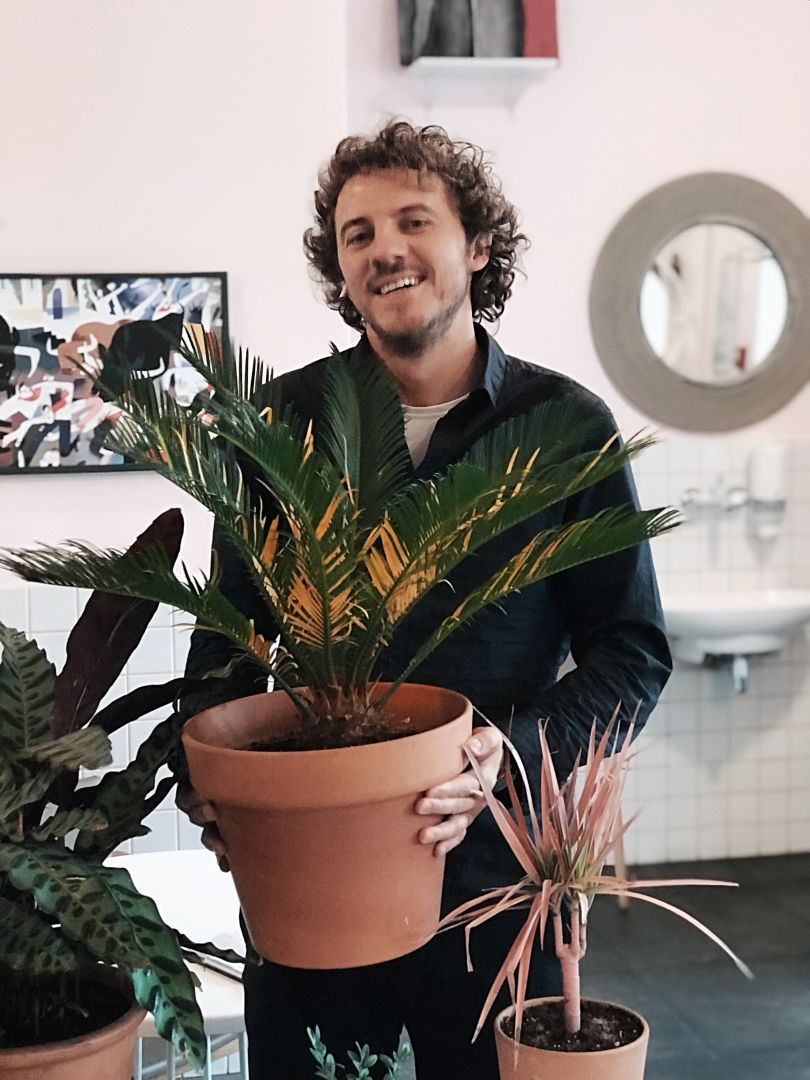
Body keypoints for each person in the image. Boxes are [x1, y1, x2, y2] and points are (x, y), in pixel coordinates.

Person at [177, 120, 672, 1080]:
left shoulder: (562, 427)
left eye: (413, 221)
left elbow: (631, 653)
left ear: (477, 246)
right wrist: (216, 776)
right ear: (340, 266)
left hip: (495, 865)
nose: (385, 249)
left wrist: (510, 754)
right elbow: (229, 637)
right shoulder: (279, 422)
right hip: (310, 862)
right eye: (357, 234)